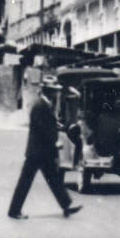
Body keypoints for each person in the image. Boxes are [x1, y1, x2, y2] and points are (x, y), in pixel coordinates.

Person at [7, 76, 82, 220]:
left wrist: (57, 128)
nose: (56, 93)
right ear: (48, 91)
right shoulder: (40, 106)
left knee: (53, 179)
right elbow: (43, 129)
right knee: (27, 181)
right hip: (37, 152)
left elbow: (48, 125)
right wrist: (55, 142)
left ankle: (66, 206)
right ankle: (14, 210)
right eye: (54, 90)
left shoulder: (45, 104)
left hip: (41, 151)